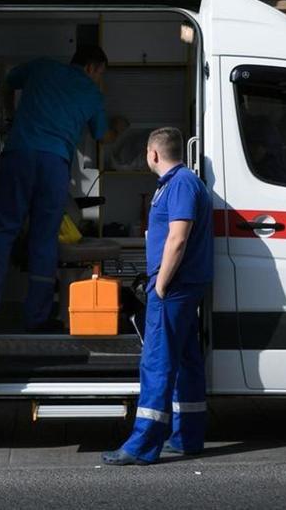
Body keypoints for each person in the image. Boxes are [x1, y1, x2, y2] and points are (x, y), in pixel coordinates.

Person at [102, 127, 213, 465]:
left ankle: (141, 445)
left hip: (174, 287)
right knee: (186, 362)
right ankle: (187, 437)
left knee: (157, 363)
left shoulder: (179, 184)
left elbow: (178, 238)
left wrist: (161, 284)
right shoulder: (181, 183)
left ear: (153, 154)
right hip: (184, 286)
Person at [0, 46, 108, 333]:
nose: (99, 79)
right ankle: (36, 317)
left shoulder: (42, 66)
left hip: (19, 155)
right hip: (54, 164)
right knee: (45, 238)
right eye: (101, 73)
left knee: (2, 230)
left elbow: (8, 83)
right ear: (92, 67)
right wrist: (119, 126)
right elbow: (102, 135)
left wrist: (12, 116)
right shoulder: (92, 92)